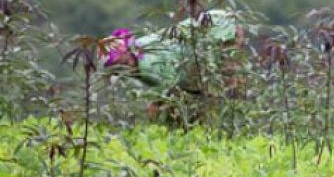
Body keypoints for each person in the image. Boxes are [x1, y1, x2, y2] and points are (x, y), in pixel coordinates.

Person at [102, 9, 247, 122]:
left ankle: (234, 121)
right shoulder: (140, 52)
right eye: (118, 70)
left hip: (218, 29)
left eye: (124, 64)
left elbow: (171, 80)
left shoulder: (149, 62)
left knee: (227, 87)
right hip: (199, 49)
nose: (126, 71)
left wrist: (157, 103)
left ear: (129, 52)